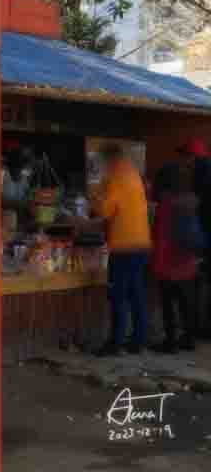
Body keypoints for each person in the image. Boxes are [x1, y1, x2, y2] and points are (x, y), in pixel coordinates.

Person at [93, 144, 151, 356]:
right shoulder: (133, 174)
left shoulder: (116, 177)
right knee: (136, 294)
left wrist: (98, 195)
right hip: (141, 243)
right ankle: (139, 340)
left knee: (118, 295)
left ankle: (115, 342)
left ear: (109, 160)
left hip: (124, 245)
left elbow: (106, 210)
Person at [150, 164, 197, 353]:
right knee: (186, 304)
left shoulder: (166, 204)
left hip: (169, 262)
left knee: (168, 304)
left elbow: (161, 237)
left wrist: (156, 264)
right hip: (187, 261)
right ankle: (188, 339)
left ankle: (170, 342)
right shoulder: (191, 200)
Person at [176, 138, 211, 338]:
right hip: (204, 234)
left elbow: (196, 204)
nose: (184, 161)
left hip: (204, 235)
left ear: (193, 156)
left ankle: (198, 329)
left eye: (185, 156)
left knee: (198, 283)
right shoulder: (204, 169)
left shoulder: (201, 173)